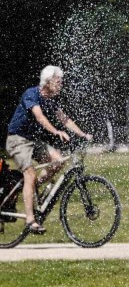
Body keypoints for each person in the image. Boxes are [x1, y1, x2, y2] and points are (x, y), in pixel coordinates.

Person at [5, 66, 93, 234]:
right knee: (29, 173)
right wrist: (56, 131)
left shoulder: (51, 100)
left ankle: (31, 188)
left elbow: (64, 119)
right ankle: (30, 220)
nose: (61, 85)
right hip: (17, 139)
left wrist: (83, 134)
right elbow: (39, 117)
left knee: (58, 161)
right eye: (58, 81)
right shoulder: (31, 94)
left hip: (32, 141)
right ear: (48, 82)